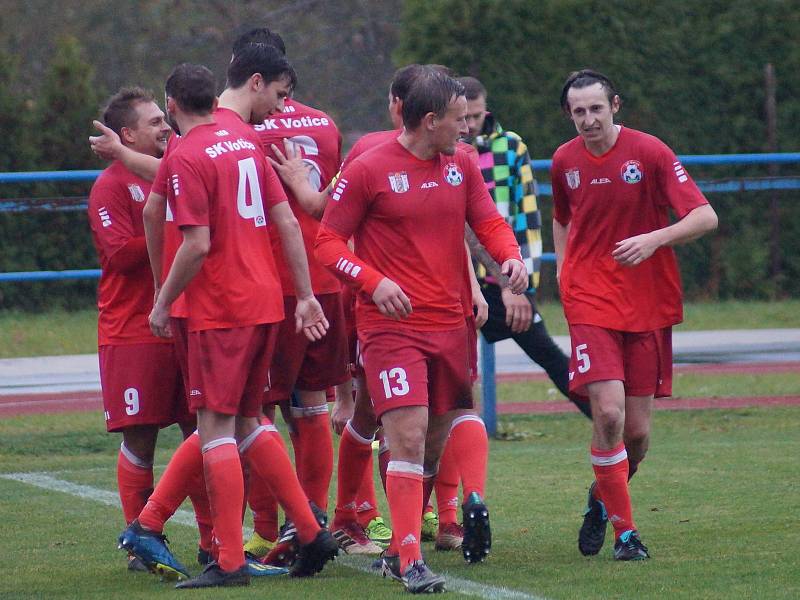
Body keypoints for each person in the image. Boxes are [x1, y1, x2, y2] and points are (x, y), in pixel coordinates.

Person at [118, 52, 338, 589]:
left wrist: (162, 299)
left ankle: (231, 560)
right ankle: (310, 530)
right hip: (266, 300)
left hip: (219, 307)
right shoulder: (244, 143)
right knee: (245, 422)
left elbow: (193, 242)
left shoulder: (188, 153)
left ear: (171, 108)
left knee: (214, 426)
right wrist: (304, 294)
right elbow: (285, 215)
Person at [315, 67, 527, 593]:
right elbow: (327, 243)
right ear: (430, 120)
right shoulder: (369, 167)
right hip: (391, 328)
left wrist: (510, 258)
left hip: (450, 324)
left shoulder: (461, 165)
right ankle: (411, 560)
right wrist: (372, 280)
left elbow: (488, 222)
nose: (466, 129)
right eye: (458, 119)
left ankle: (400, 545)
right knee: (406, 436)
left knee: (432, 445)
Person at [551, 69, 718, 561]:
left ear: (615, 106)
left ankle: (602, 497)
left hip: (647, 302)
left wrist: (654, 239)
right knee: (608, 414)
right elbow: (562, 219)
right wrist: (565, 273)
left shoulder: (650, 153)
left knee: (637, 435)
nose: (588, 119)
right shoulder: (564, 160)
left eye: (596, 108)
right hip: (590, 299)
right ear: (569, 115)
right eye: (578, 111)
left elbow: (705, 216)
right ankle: (627, 535)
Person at [87, 88, 200, 572]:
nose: (164, 127)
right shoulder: (111, 186)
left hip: (186, 322)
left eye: (164, 119)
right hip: (132, 329)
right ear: (127, 134)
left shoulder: (177, 172)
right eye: (153, 122)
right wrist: (173, 235)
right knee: (141, 438)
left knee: (202, 430)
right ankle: (141, 541)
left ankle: (214, 539)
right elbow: (116, 253)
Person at [457, 75, 591, 419]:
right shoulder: (448, 150)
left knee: (545, 351)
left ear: (486, 109)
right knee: (452, 371)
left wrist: (520, 285)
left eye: (475, 116)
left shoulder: (511, 147)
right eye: (463, 117)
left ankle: (607, 418)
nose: (470, 125)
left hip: (502, 279)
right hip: (456, 281)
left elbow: (527, 218)